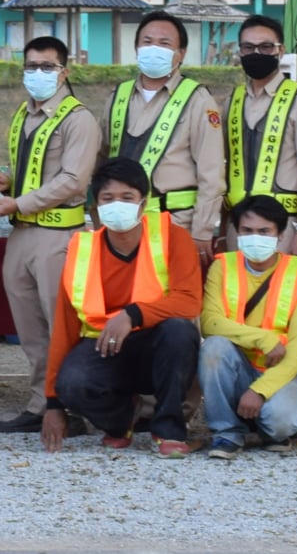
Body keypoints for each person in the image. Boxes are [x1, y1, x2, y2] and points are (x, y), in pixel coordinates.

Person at [41, 158, 201, 457]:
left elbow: (189, 300)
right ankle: (120, 422)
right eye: (108, 198)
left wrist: (132, 314)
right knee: (72, 383)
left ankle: (168, 428)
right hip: (105, 347)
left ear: (143, 203)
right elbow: (65, 328)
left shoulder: (173, 237)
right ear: (95, 206)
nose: (118, 205)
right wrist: (53, 403)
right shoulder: (83, 250)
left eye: (127, 198)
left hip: (158, 346)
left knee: (180, 332)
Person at [0, 35, 102, 434]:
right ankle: (41, 402)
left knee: (59, 326)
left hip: (58, 234)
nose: (38, 73)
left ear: (64, 72)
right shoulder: (24, 113)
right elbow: (32, 172)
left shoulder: (78, 118)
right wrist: (6, 184)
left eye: (47, 67)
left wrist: (19, 202)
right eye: (31, 66)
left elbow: (73, 181)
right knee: (30, 327)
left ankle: (69, 407)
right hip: (21, 231)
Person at [101, 10, 226, 266]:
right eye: (147, 42)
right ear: (136, 48)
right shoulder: (118, 96)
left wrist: (202, 231)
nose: (153, 49)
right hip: (120, 225)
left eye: (164, 43)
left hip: (175, 223)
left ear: (181, 54)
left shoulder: (198, 100)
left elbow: (211, 174)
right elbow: (101, 159)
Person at [200, 194, 297, 459]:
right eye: (247, 230)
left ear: (281, 234)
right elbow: (209, 322)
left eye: (264, 231)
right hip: (237, 366)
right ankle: (226, 433)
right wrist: (262, 338)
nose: (255, 238)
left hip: (281, 370)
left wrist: (259, 391)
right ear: (237, 232)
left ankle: (265, 428)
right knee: (214, 347)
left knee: (282, 424)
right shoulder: (222, 267)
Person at [224, 15, 297, 258]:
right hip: (239, 225)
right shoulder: (232, 100)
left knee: (284, 282)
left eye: (266, 47)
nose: (256, 53)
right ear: (240, 52)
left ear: (281, 51)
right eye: (248, 47)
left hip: (283, 225)